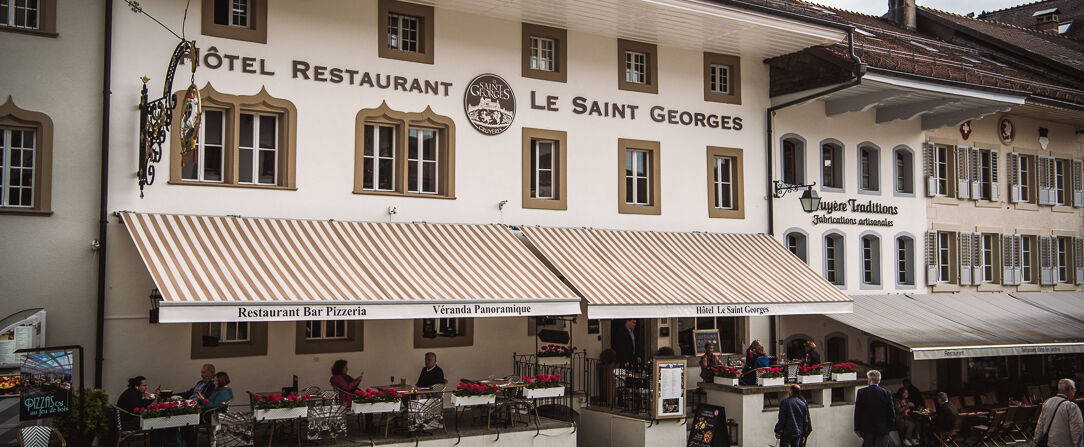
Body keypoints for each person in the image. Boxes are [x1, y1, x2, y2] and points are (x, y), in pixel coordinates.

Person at [1033, 378, 1082, 447]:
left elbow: (1040, 425)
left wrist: (1036, 441)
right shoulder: (1071, 407)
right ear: (1070, 389)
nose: (1074, 392)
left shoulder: (1047, 403)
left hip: (1049, 443)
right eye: (1074, 390)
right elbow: (1077, 430)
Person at [854, 369, 895, 447]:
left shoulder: (861, 392)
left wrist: (857, 428)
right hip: (883, 428)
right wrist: (890, 427)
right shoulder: (886, 393)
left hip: (867, 428)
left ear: (869, 380)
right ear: (879, 381)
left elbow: (858, 411)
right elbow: (891, 412)